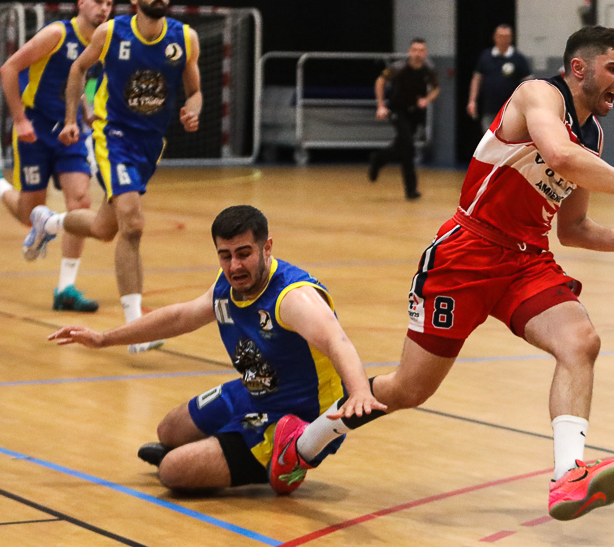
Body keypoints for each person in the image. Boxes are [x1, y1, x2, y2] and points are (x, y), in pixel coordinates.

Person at [271, 26, 614, 520]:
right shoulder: (537, 95)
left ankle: (568, 476)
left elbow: (574, 229)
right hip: (467, 254)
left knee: (580, 342)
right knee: (410, 389)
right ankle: (301, 443)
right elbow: (559, 155)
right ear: (579, 68)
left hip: (527, 261)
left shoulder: (593, 136)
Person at [47, 205, 384, 491]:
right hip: (256, 388)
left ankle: (287, 460)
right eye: (225, 256)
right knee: (169, 431)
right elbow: (180, 317)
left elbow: (338, 342)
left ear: (267, 248)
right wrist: (104, 338)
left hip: (297, 415)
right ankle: (229, 446)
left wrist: (358, 392)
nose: (234, 266)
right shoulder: (228, 285)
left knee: (173, 471)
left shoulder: (293, 298)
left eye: (244, 254)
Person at [25, 0, 202, 353]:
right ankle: (136, 328)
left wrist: (193, 110)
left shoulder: (184, 38)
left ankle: (49, 222)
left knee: (105, 228)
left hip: (151, 143)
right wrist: (71, 120)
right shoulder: (111, 32)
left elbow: (195, 90)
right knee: (132, 224)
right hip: (112, 135)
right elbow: (78, 68)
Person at [0, 0, 116, 312]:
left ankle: (66, 288)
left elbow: (79, 81)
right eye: (98, 1)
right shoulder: (57, 34)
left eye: (109, 4)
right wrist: (19, 119)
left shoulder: (101, 42)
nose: (104, 9)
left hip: (70, 131)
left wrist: (86, 110)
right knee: (28, 214)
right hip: (35, 130)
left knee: (80, 202)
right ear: (81, 3)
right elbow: (9, 68)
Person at [367, 38, 440, 200]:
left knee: (402, 146)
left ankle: (378, 158)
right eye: (415, 50)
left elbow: (436, 88)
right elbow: (380, 81)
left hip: (415, 113)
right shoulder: (398, 67)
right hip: (397, 110)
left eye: (421, 51)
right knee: (408, 147)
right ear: (409, 52)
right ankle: (411, 189)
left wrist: (427, 99)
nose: (418, 54)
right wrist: (381, 105)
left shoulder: (428, 68)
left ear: (425, 53)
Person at [467, 24, 532, 133]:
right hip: (489, 110)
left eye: (507, 37)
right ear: (495, 37)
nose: (503, 39)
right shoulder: (486, 56)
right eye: (501, 36)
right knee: (489, 139)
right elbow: (476, 79)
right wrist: (472, 101)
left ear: (511, 38)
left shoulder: (518, 58)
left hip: (511, 111)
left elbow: (528, 83)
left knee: (508, 138)